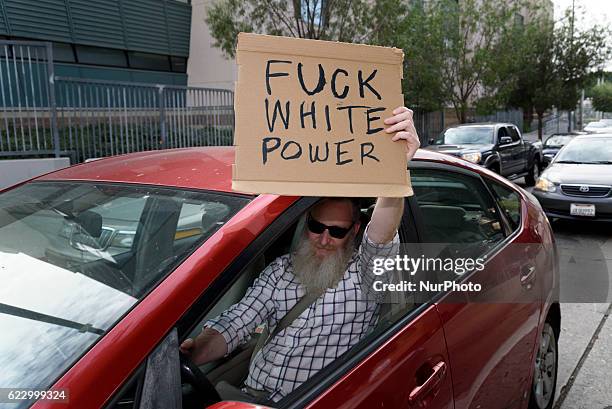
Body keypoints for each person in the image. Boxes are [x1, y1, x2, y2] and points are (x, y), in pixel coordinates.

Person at [180, 106, 420, 402]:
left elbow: (381, 234)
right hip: (246, 398)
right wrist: (189, 354)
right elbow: (237, 322)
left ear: (354, 231)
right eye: (316, 226)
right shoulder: (280, 270)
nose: (323, 239)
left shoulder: (364, 275)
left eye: (337, 231)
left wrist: (395, 167)